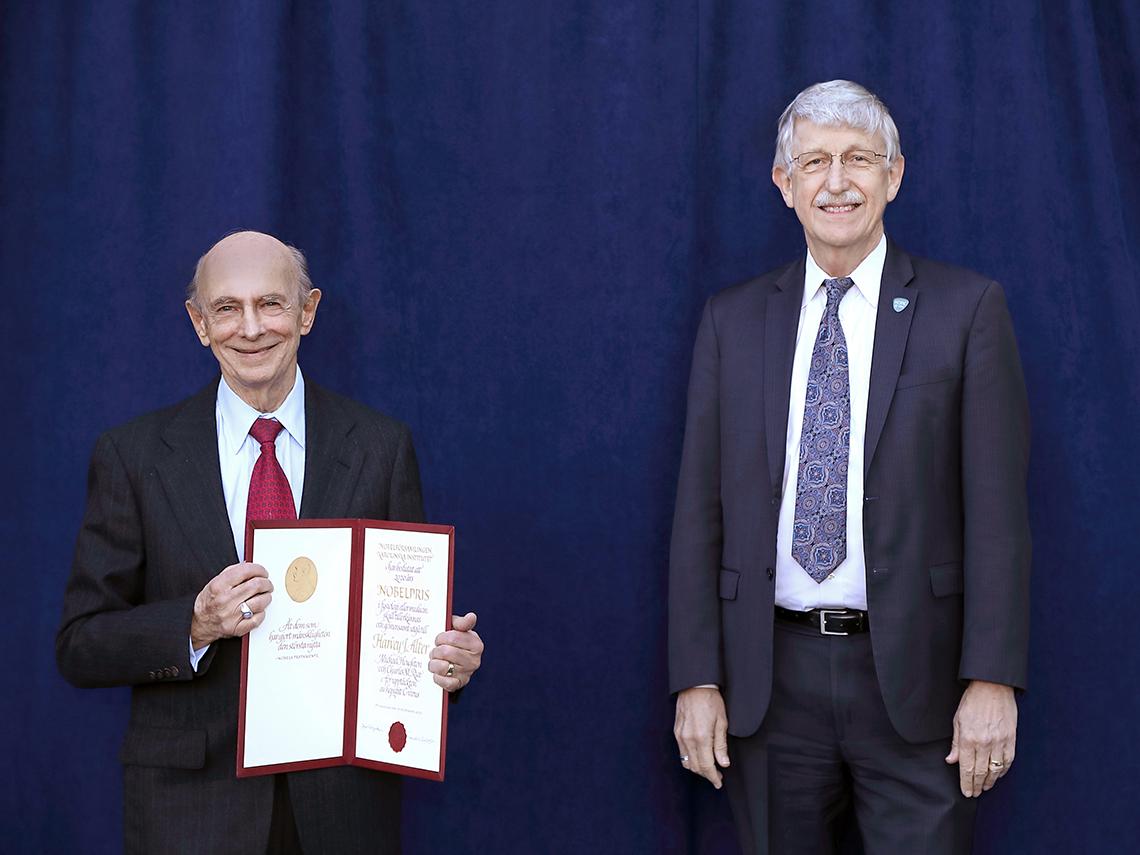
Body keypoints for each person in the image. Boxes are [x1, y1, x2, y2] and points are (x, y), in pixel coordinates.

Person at [668, 80, 1030, 854]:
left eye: (859, 159)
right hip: (769, 684)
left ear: (893, 176)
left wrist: (992, 677)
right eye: (816, 162)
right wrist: (695, 677)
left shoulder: (967, 310)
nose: (837, 182)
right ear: (784, 183)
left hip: (919, 687)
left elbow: (998, 515)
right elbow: (699, 510)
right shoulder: (731, 321)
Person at [56, 231, 484, 855]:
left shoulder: (381, 447)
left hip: (342, 810)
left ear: (308, 311)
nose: (250, 328)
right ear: (199, 323)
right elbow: (79, 646)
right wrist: (194, 624)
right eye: (227, 308)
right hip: (189, 813)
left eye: (272, 304)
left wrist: (447, 664)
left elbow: (405, 627)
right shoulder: (133, 456)